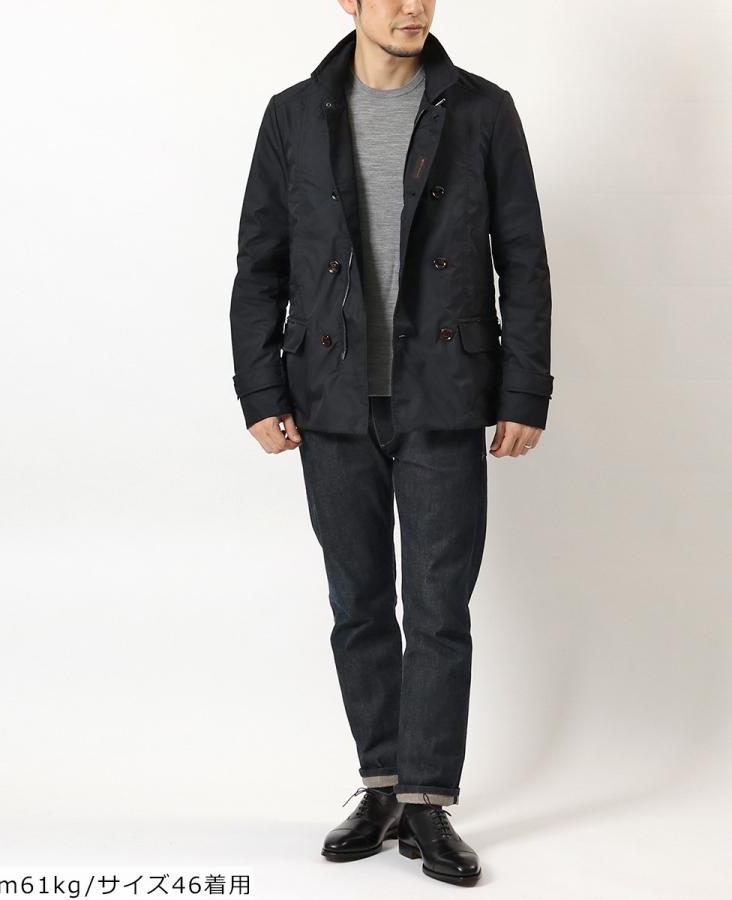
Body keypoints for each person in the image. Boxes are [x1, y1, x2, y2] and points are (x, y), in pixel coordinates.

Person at [228, 0, 554, 886]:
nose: (414, 6)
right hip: (329, 398)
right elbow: (260, 262)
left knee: (439, 607)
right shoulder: (294, 114)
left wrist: (524, 390)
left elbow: (522, 258)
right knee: (359, 603)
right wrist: (260, 388)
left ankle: (428, 800)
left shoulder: (482, 109)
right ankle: (382, 785)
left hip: (443, 395)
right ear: (350, 2)